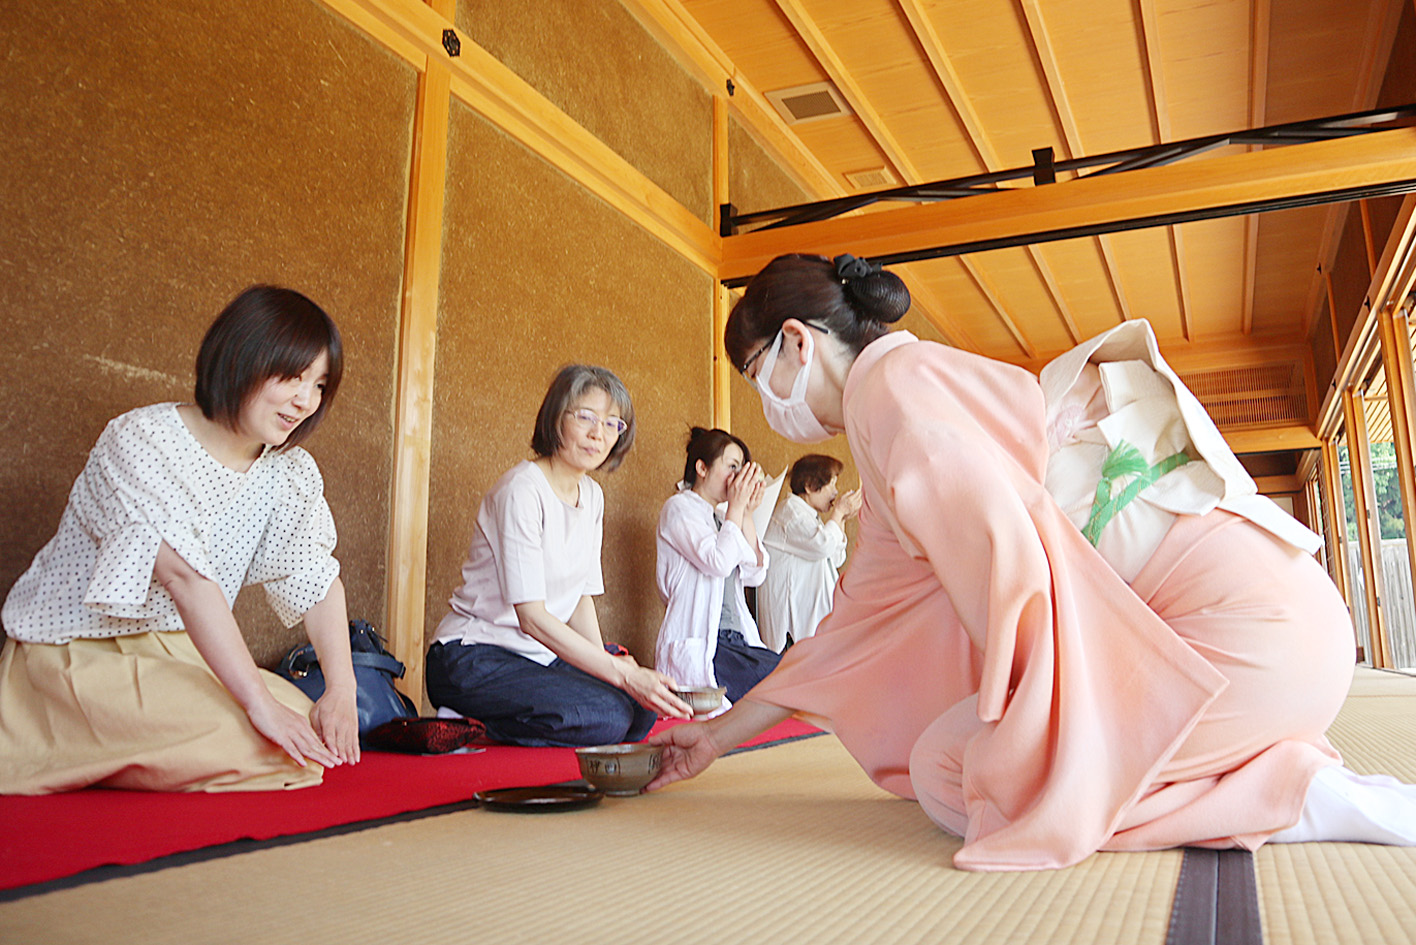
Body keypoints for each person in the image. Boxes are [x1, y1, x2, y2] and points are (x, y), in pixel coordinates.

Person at [647, 251, 1416, 871]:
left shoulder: (890, 394)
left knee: (964, 774)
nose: (765, 402)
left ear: (796, 341)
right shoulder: (910, 391)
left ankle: (1292, 794)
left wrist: (1031, 731)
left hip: (1245, 642)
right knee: (958, 757)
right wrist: (716, 737)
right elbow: (848, 630)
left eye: (755, 377)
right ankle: (1256, 764)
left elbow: (1006, 560)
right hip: (1282, 633)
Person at [0, 285, 359, 793]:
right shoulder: (143, 439)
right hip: (77, 650)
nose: (306, 401)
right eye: (293, 376)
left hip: (177, 652)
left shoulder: (288, 472)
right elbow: (185, 580)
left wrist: (342, 690)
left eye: (320, 385)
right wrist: (257, 703)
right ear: (241, 357)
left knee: (302, 720)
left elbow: (315, 578)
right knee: (255, 733)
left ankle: (140, 749)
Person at [427, 365, 690, 746]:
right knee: (606, 715)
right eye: (585, 417)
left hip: (537, 657)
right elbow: (531, 618)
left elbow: (580, 599)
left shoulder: (593, 496)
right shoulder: (522, 490)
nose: (598, 434)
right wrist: (620, 674)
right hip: (473, 657)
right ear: (556, 417)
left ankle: (498, 720)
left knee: (639, 709)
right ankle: (468, 722)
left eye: (613, 423)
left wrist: (609, 666)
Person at [655, 428, 782, 707]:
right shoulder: (678, 508)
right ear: (702, 467)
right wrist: (736, 510)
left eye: (741, 469)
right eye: (732, 467)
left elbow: (755, 573)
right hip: (709, 645)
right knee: (782, 682)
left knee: (795, 672)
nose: (737, 477)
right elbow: (718, 562)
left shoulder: (725, 516)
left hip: (737, 641)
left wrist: (746, 512)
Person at [758, 454, 861, 652]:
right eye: (831, 485)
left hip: (812, 628)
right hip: (791, 634)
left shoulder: (809, 517)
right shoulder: (791, 514)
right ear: (809, 486)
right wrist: (837, 513)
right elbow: (822, 546)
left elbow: (836, 557)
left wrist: (842, 519)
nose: (835, 492)